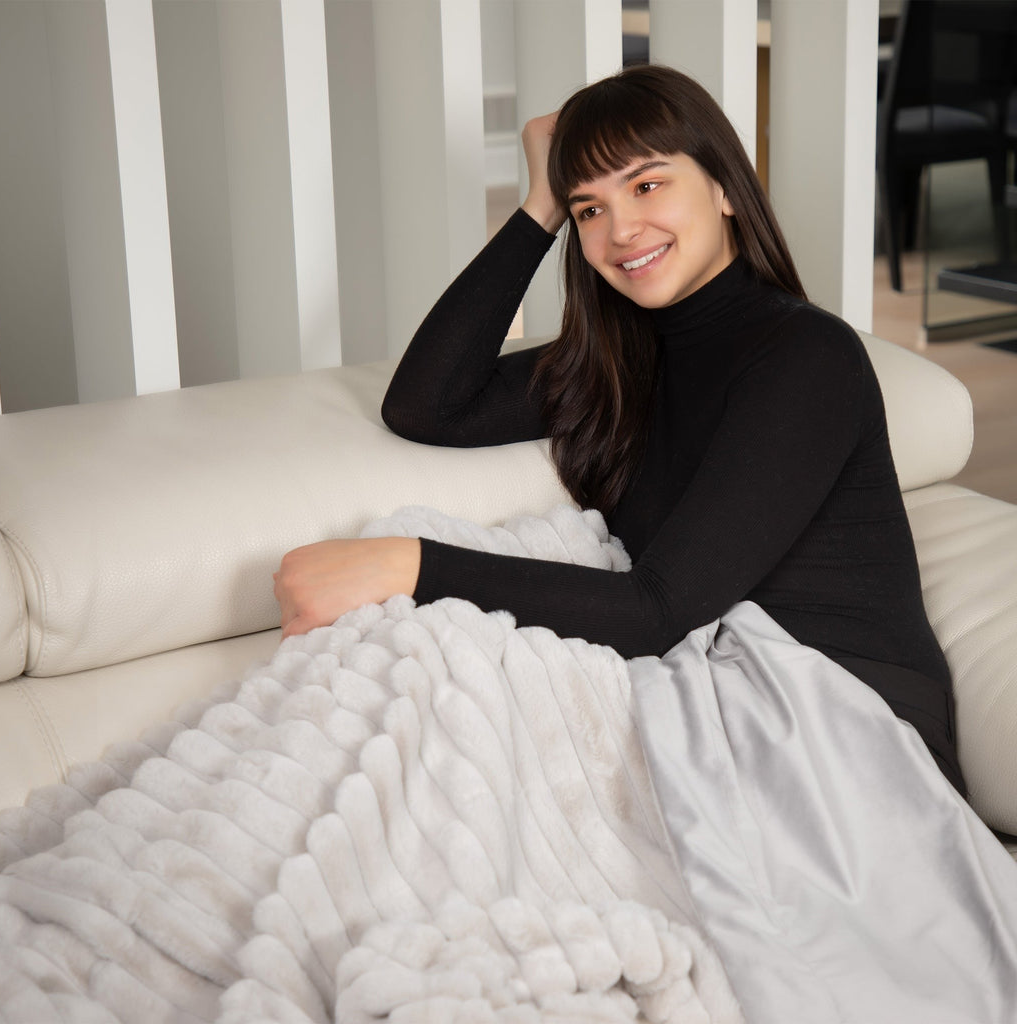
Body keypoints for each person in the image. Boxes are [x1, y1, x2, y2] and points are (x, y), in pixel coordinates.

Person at [274, 64, 964, 794]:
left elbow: (657, 610)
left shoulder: (806, 356)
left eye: (647, 185)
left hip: (851, 741)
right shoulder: (618, 362)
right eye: (590, 209)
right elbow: (425, 406)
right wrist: (542, 204)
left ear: (726, 189)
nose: (621, 230)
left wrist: (406, 566)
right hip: (713, 708)